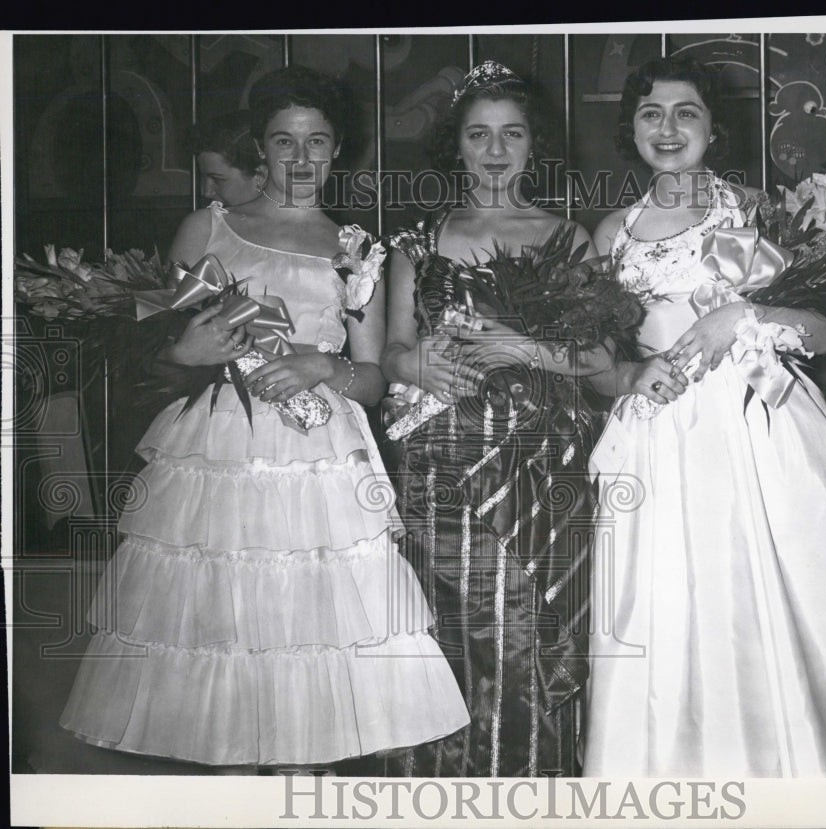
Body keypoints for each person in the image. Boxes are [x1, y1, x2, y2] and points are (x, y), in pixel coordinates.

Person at [60, 65, 469, 769]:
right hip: (221, 451)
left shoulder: (357, 249)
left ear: (338, 149)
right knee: (221, 628)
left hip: (316, 456)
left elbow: (371, 379)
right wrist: (185, 348)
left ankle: (297, 783)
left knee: (307, 633)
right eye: (285, 142)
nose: (301, 159)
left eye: (317, 142)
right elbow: (147, 347)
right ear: (261, 146)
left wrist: (324, 367)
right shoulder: (208, 226)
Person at [584, 57, 826, 778]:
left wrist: (746, 313)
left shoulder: (754, 211)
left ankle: (799, 760)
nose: (669, 129)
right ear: (630, 128)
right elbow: (600, 363)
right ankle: (675, 767)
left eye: (686, 112)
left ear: (713, 126)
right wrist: (636, 372)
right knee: (669, 598)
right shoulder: (612, 234)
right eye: (651, 114)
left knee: (779, 584)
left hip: (755, 423)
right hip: (662, 437)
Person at [381, 61, 602, 777]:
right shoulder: (419, 239)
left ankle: (532, 782)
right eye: (480, 134)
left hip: (537, 456)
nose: (496, 150)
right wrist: (411, 366)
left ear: (536, 144)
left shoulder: (568, 235)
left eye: (512, 133)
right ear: (458, 144)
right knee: (446, 626)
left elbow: (596, 360)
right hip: (437, 463)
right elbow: (391, 351)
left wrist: (523, 346)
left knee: (525, 626)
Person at [189, 109, 265, 207]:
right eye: (202, 178)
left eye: (217, 180)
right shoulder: (203, 221)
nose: (207, 192)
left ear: (260, 177)